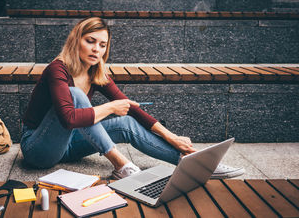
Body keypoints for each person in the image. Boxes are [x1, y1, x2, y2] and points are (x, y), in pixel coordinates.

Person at [21, 17, 244, 179]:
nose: (96, 49)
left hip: (68, 146)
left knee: (127, 121)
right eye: (90, 41)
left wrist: (172, 137)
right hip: (38, 149)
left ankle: (194, 163)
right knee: (76, 95)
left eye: (102, 45)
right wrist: (109, 108)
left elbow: (132, 109)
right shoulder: (57, 69)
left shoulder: (95, 74)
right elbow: (69, 119)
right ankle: (123, 167)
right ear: (75, 40)